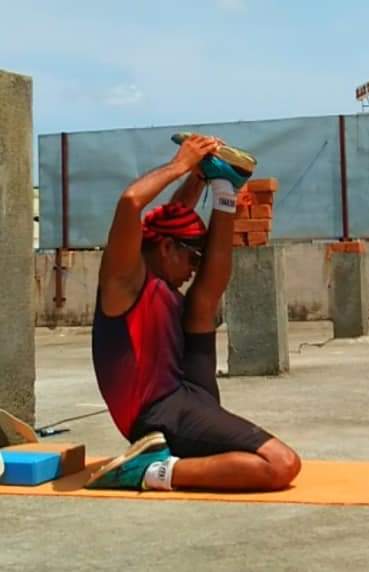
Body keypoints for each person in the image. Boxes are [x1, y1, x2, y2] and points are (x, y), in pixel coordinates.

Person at [87, 134, 301, 492]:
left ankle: (225, 191)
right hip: (159, 412)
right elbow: (130, 202)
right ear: (166, 248)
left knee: (203, 301)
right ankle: (146, 471)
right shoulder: (123, 281)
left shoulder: (164, 279)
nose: (194, 267)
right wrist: (179, 164)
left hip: (187, 395)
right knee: (281, 465)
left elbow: (172, 217)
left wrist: (201, 177)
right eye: (192, 256)